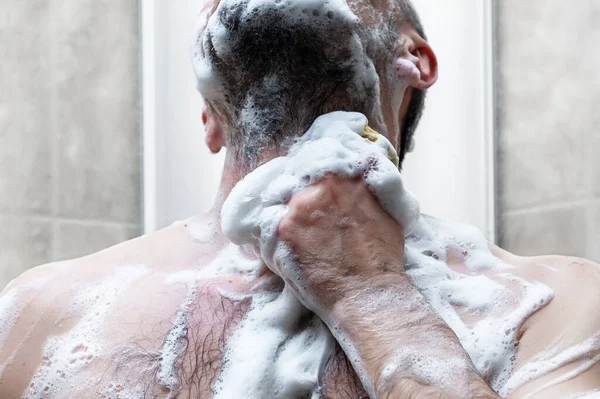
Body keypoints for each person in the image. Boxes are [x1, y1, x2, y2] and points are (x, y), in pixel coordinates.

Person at [1, 0, 599, 398]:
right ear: (207, 118)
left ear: (415, 59)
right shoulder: (37, 315)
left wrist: (377, 299)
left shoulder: (566, 309)